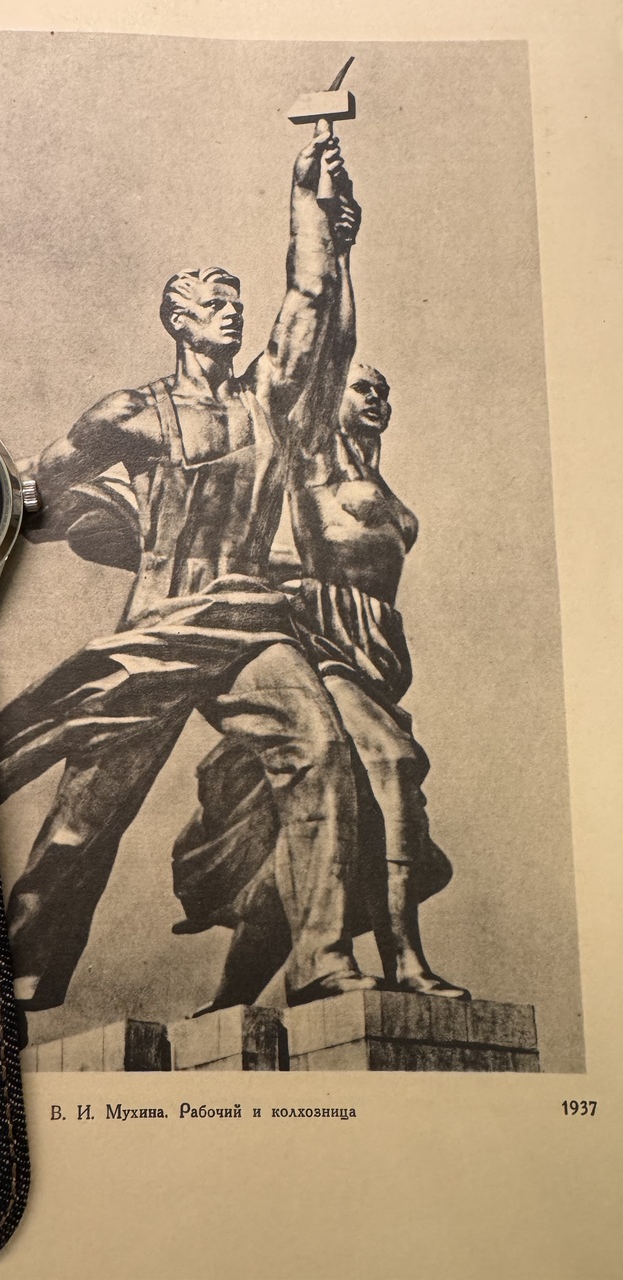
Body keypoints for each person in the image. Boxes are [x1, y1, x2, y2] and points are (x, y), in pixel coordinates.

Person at [0, 127, 377, 1018]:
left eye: (235, 303)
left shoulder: (267, 397)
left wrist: (309, 197)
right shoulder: (129, 414)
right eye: (213, 304)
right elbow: (32, 486)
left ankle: (322, 958)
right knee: (87, 815)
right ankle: (23, 969)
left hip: (246, 618)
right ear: (178, 320)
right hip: (161, 623)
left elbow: (311, 294)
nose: (231, 315)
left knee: (320, 750)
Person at [171, 361, 470, 1012]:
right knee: (392, 763)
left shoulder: (384, 491)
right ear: (330, 392)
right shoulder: (309, 459)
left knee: (328, 825)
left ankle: (231, 999)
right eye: (362, 386)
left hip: (374, 658)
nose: (377, 397)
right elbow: (311, 357)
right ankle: (406, 961)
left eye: (384, 391)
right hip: (319, 642)